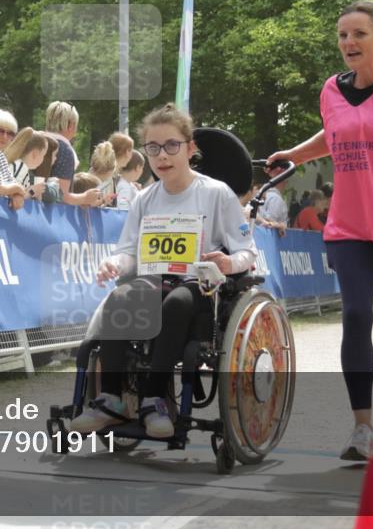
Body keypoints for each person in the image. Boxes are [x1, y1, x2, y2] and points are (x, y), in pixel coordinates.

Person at [267, 0, 373, 460]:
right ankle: (362, 429)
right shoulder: (332, 89)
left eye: (359, 34)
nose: (349, 43)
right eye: (343, 35)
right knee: (356, 316)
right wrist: (293, 155)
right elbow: (335, 133)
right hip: (351, 225)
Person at [70, 104, 257, 439]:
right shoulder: (145, 199)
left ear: (190, 148)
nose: (162, 156)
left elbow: (248, 252)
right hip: (152, 281)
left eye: (171, 146)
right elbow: (128, 252)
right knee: (119, 297)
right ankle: (110, 400)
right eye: (153, 148)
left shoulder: (217, 194)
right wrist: (115, 264)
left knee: (177, 303)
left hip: (198, 287)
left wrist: (229, 263)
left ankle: (154, 398)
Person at [45, 101, 100, 207]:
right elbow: (62, 196)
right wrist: (85, 197)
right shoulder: (65, 150)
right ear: (70, 125)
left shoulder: (35, 141)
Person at [5, 127, 49, 202]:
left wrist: (36, 194)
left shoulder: (21, 167)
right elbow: (12, 198)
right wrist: (32, 191)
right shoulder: (19, 167)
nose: (43, 159)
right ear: (35, 154)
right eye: (43, 155)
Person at [257, 171, 289, 235]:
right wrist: (281, 225)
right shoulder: (276, 199)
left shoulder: (267, 194)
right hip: (266, 239)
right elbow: (269, 221)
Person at [89, 141, 119, 207]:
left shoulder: (116, 182)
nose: (99, 179)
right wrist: (103, 201)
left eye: (104, 175)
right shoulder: (85, 181)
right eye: (98, 174)